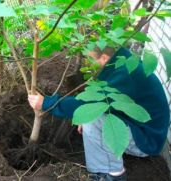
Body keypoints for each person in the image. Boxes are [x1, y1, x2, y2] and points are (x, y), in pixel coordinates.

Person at [28, 47, 170, 181]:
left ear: (103, 58)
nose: (88, 64)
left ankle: (114, 174)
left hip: (147, 140)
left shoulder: (125, 74)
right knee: (91, 115)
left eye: (91, 60)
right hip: (142, 127)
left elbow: (91, 106)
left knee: (93, 117)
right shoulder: (123, 63)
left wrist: (47, 103)